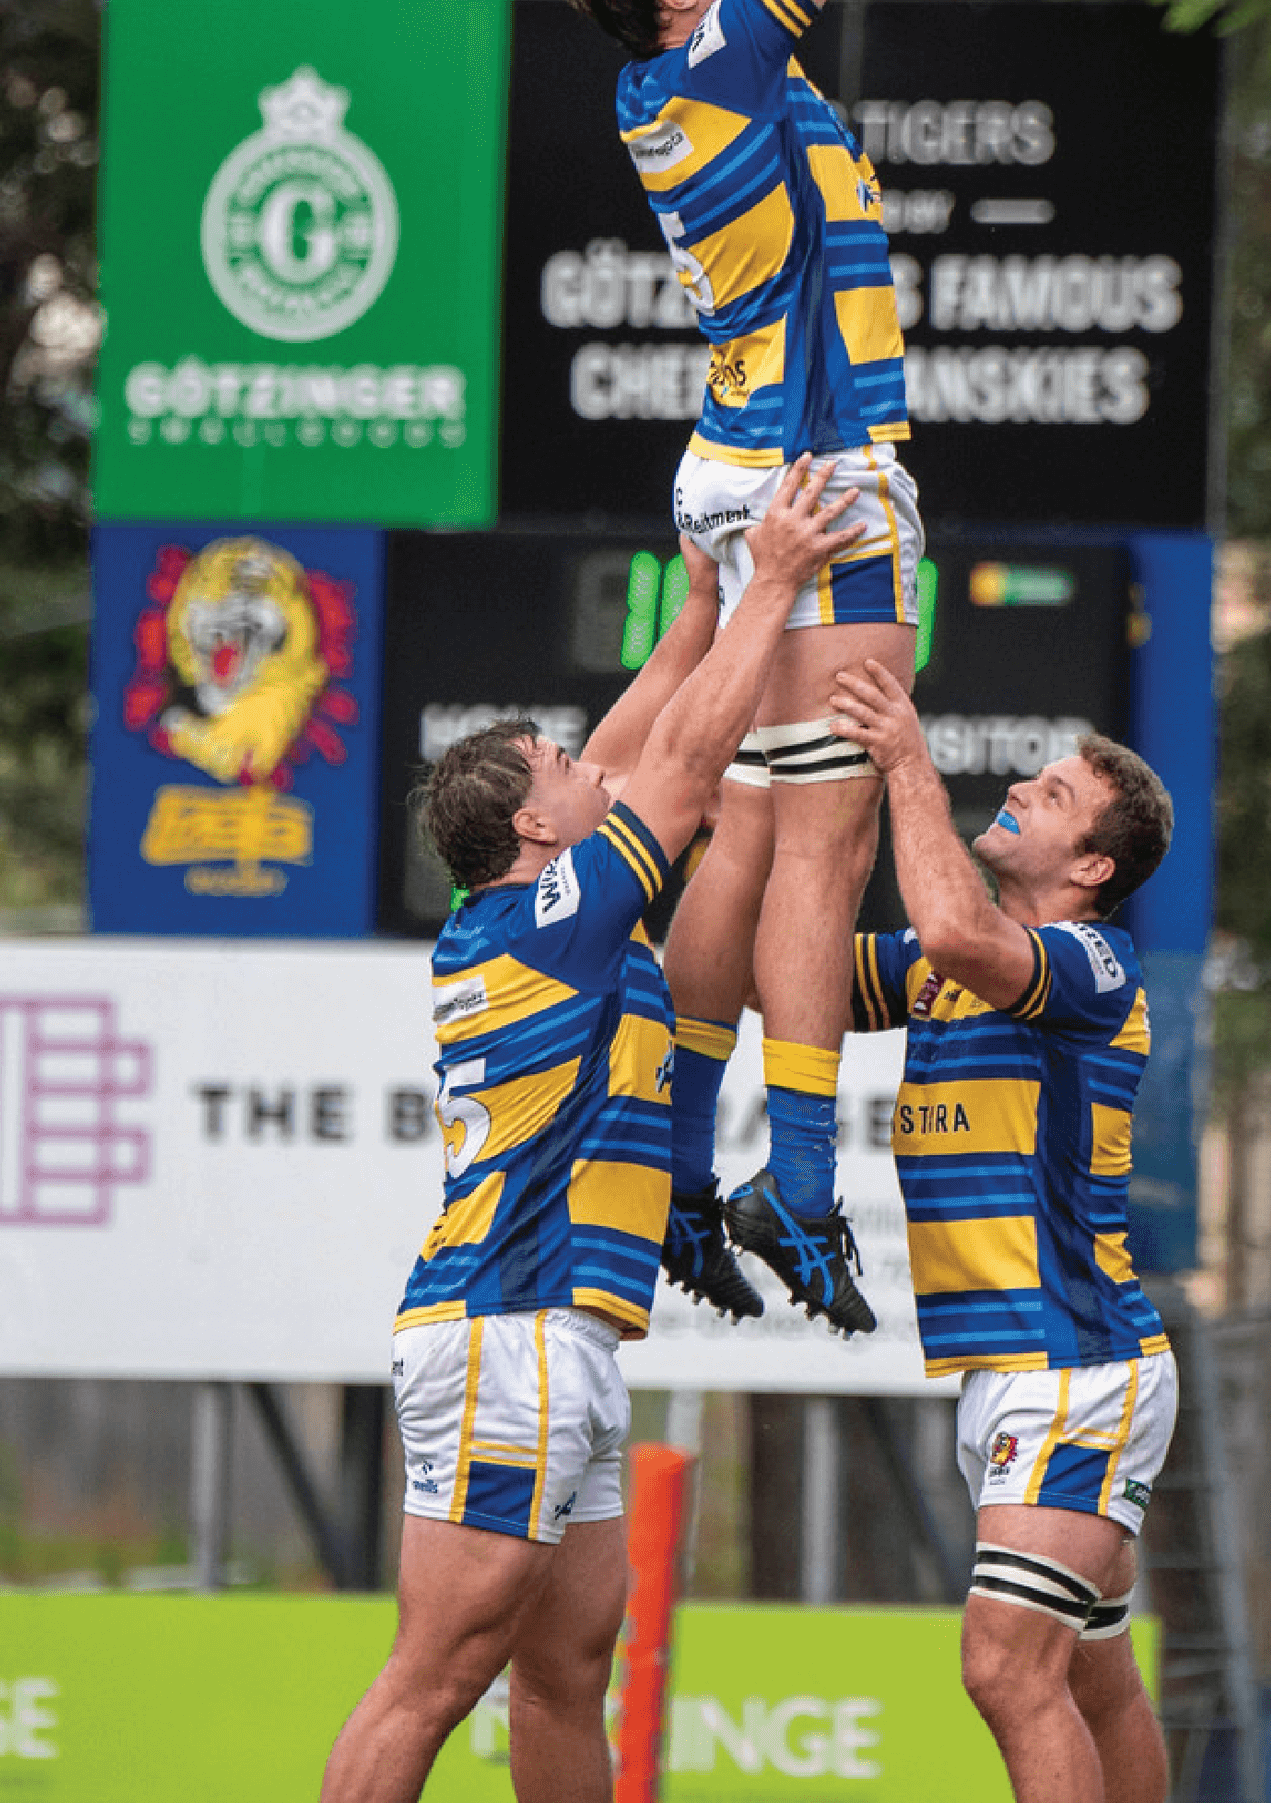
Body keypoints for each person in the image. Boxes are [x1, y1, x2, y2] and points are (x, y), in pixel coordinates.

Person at [554, 0, 985, 1334]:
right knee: (820, 849)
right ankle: (800, 1190)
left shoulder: (681, 55)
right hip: (817, 475)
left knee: (742, 839)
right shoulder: (731, 51)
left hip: (737, 461)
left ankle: (665, 1162)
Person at [321, 464, 854, 1803]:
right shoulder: (553, 918)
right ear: (530, 827)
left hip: (563, 1332)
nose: (587, 766)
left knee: (566, 1667)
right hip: (514, 1323)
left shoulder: (545, 909)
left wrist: (697, 608)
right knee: (435, 1671)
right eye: (563, 769)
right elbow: (671, 768)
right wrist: (777, 578)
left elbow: (627, 754)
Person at [820, 657, 1177, 1803]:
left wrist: (906, 758)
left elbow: (963, 936)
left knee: (1005, 1672)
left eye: (1057, 793)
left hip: (1076, 1367)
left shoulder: (1090, 963)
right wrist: (755, 808)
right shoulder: (945, 963)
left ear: (1092, 868)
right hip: (1016, 1372)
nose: (1024, 786)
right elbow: (800, 980)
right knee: (1091, 1682)